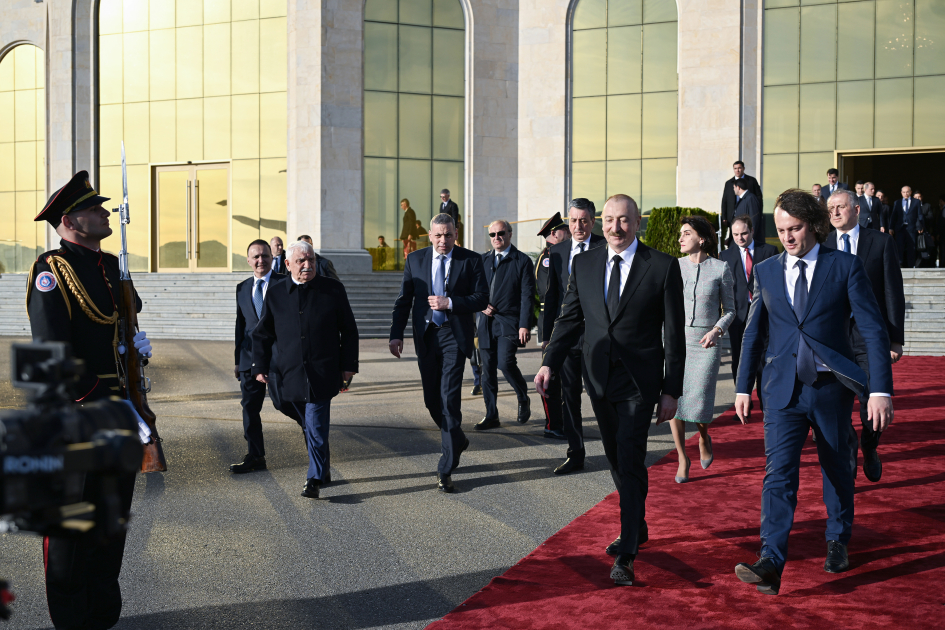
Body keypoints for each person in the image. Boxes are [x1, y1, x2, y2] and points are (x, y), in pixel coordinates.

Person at [733, 188, 894, 596]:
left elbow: (873, 330)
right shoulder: (766, 271)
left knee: (836, 467)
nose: (788, 237)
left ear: (814, 225)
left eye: (796, 228)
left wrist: (880, 390)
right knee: (778, 475)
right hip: (781, 390)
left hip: (830, 388)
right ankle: (771, 560)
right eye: (782, 229)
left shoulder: (844, 266)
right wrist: (742, 386)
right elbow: (754, 333)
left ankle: (838, 537)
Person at [535, 194, 685, 586]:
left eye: (624, 220)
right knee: (617, 459)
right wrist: (549, 362)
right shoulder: (584, 264)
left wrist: (672, 390)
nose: (615, 227)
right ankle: (639, 523)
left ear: (638, 223)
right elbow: (569, 319)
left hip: (639, 382)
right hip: (599, 378)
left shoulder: (662, 266)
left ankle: (628, 552)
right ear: (601, 222)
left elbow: (674, 335)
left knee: (630, 457)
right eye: (610, 220)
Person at [28, 170, 152, 630]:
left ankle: (102, 615)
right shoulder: (51, 270)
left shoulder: (113, 267)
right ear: (69, 220)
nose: (105, 212)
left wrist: (135, 348)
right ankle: (72, 620)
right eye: (94, 208)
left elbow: (123, 323)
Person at [389, 214, 489, 492]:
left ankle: (446, 466)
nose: (443, 240)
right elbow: (404, 300)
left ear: (456, 234)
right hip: (426, 336)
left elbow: (482, 298)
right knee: (431, 400)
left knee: (448, 398)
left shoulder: (471, 260)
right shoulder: (415, 260)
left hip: (453, 336)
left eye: (448, 235)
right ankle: (457, 438)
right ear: (430, 236)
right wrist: (396, 334)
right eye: (438, 235)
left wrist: (450, 302)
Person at [252, 240, 359, 499]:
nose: (307, 265)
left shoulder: (332, 289)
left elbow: (349, 330)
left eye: (311, 259)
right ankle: (323, 467)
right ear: (288, 264)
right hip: (288, 373)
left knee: (315, 422)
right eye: (301, 261)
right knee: (304, 420)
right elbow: (262, 333)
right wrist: (260, 366)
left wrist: (348, 366)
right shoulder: (276, 293)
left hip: (322, 371)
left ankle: (314, 478)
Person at [825, 189, 904, 481]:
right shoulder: (821, 244)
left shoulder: (880, 242)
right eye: (830, 208)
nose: (834, 213)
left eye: (840, 207)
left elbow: (892, 292)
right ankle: (848, 453)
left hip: (869, 337)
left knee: (872, 402)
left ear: (857, 209)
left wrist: (895, 339)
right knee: (835, 404)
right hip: (833, 339)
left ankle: (870, 446)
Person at [540, 198, 606, 474]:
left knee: (600, 394)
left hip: (597, 337)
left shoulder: (605, 246)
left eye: (583, 220)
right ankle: (575, 453)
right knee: (569, 397)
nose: (578, 226)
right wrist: (548, 337)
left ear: (592, 221)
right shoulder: (557, 252)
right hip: (566, 336)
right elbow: (551, 297)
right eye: (573, 220)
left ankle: (615, 449)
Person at [670, 217, 735, 482]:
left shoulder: (720, 268)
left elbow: (730, 310)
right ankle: (682, 457)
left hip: (707, 343)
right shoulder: (674, 267)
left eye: (686, 233)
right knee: (673, 398)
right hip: (676, 341)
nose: (681, 238)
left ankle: (704, 437)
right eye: (680, 234)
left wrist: (717, 330)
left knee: (700, 400)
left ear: (702, 239)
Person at [474, 221, 536, 430]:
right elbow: (473, 290)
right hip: (485, 324)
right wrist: (480, 304)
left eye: (500, 233)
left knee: (505, 363)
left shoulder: (522, 261)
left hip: (509, 322)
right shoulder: (482, 260)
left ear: (510, 233)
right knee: (487, 372)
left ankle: (522, 396)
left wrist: (524, 325)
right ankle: (491, 415)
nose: (496, 237)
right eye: (492, 234)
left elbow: (527, 296)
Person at [720, 214, 778, 409]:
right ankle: (742, 402)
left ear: (752, 231)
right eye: (735, 234)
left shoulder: (769, 251)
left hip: (765, 314)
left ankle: (764, 402)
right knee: (738, 358)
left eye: (744, 233)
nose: (740, 238)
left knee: (764, 359)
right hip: (738, 316)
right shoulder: (725, 256)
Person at [231, 240, 278, 474]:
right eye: (256, 257)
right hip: (249, 357)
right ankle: (256, 456)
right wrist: (237, 361)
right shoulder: (242, 288)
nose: (261, 260)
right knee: (249, 408)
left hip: (279, 357)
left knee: (290, 405)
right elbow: (240, 325)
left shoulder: (284, 283)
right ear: (248, 260)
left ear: (272, 258)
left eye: (265, 256)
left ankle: (316, 454)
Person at [535, 212, 570, 440]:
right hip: (556, 322)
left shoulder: (562, 253)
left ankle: (565, 422)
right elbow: (547, 293)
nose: (570, 232)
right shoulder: (549, 256)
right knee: (552, 378)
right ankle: (553, 424)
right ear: (556, 234)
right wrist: (547, 332)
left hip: (565, 322)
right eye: (565, 230)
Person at [721, 160, 763, 248]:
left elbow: (759, 198)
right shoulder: (729, 183)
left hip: (747, 213)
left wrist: (759, 213)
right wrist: (724, 217)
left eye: (739, 168)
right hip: (733, 216)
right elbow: (724, 200)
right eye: (735, 168)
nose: (737, 170)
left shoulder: (752, 182)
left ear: (743, 168)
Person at [893, 185, 925, 268]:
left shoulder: (916, 202)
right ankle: (900, 264)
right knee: (899, 246)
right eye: (904, 192)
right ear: (901, 193)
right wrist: (891, 227)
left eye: (907, 192)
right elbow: (894, 216)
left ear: (911, 192)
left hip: (911, 227)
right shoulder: (897, 202)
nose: (905, 194)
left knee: (911, 247)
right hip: (900, 228)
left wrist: (921, 226)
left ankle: (911, 264)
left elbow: (919, 215)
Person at [733, 178, 765, 245]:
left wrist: (751, 238)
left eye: (734, 187)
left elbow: (754, 219)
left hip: (751, 242)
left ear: (738, 187)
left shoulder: (751, 198)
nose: (734, 189)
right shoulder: (743, 199)